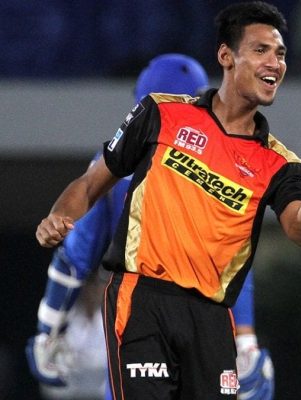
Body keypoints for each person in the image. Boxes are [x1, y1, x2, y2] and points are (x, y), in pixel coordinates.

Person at [35, 1, 301, 398]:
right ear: (226, 56)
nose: (274, 62)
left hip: (212, 317)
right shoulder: (159, 114)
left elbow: (299, 231)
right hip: (142, 302)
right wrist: (58, 215)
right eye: (260, 49)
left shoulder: (280, 164)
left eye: (280, 53)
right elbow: (89, 185)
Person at [28, 53, 275, 399]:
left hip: (138, 320)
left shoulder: (116, 162)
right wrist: (246, 343)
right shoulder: (225, 162)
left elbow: (73, 260)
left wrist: (48, 332)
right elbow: (233, 262)